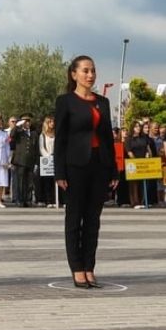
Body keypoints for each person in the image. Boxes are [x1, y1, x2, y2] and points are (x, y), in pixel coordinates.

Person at [54, 55, 117, 289]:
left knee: (93, 220)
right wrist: (59, 171)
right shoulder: (65, 101)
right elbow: (60, 139)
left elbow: (108, 138)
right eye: (85, 71)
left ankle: (90, 266)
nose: (90, 75)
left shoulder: (103, 102)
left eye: (93, 71)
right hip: (75, 166)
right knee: (74, 219)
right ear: (74, 74)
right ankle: (77, 268)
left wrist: (114, 171)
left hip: (99, 166)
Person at [10, 114, 37, 207]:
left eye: (28, 121)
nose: (27, 123)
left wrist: (36, 162)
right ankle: (20, 199)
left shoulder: (34, 133)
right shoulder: (18, 132)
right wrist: (17, 125)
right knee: (20, 181)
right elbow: (11, 135)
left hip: (30, 161)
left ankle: (28, 199)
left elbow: (36, 148)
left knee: (29, 182)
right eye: (25, 121)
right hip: (20, 161)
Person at [36, 115, 56, 208]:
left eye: (53, 122)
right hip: (46, 160)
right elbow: (41, 148)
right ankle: (48, 200)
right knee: (47, 181)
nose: (52, 124)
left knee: (54, 181)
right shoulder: (42, 135)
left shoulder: (56, 134)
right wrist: (48, 156)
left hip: (55, 158)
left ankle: (55, 199)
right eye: (50, 122)